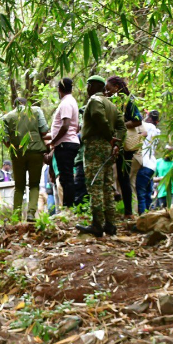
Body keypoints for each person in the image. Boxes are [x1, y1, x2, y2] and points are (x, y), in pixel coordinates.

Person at [77, 75, 125, 236]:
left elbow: (98, 116)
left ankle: (97, 224)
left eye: (88, 85)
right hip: (107, 147)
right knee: (106, 184)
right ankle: (110, 224)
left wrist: (109, 136)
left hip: (95, 145)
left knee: (94, 183)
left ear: (92, 86)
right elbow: (122, 127)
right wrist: (116, 144)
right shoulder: (112, 105)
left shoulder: (94, 101)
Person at [2, 98, 48, 221]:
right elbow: (44, 130)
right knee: (34, 185)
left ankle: (16, 217)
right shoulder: (36, 111)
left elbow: (6, 140)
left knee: (19, 186)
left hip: (17, 155)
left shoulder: (7, 117)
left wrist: (15, 149)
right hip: (36, 153)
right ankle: (31, 213)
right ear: (26, 104)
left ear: (14, 105)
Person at [105, 76, 142, 219]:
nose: (107, 92)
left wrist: (119, 126)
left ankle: (128, 212)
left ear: (116, 87)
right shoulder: (112, 102)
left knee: (123, 176)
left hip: (124, 145)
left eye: (108, 89)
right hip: (116, 142)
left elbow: (137, 120)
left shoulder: (128, 101)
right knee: (118, 176)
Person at [47, 78, 81, 208]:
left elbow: (66, 125)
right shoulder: (71, 101)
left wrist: (54, 141)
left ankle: (68, 207)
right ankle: (68, 206)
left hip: (65, 144)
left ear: (59, 89)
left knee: (66, 178)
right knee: (65, 177)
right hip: (67, 143)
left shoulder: (66, 103)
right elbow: (76, 126)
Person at [135, 110, 160, 214]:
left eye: (147, 115)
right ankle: (147, 214)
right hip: (151, 165)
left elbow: (136, 121)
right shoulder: (157, 131)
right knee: (147, 193)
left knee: (140, 194)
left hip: (144, 164)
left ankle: (142, 217)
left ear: (149, 118)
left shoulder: (147, 126)